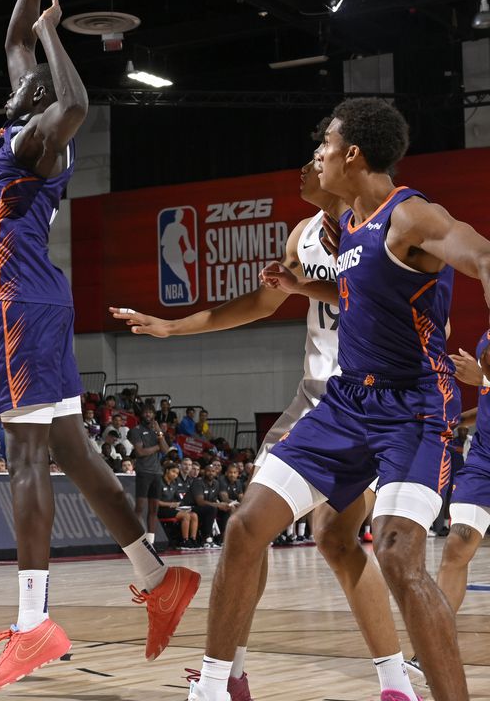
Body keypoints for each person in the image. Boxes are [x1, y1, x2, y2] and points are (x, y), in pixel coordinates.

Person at [186, 98, 489, 701]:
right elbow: (361, 287)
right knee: (246, 526)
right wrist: (304, 284)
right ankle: (214, 688)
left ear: (352, 152)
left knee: (401, 557)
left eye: (324, 144)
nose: (316, 155)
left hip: (415, 407)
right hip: (349, 402)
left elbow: (481, 254)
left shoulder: (412, 216)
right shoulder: (349, 223)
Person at [0, 0, 197, 693]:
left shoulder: (38, 137)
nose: (21, 69)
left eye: (34, 76)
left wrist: (58, 40)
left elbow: (75, 106)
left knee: (24, 457)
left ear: (37, 99)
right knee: (71, 448)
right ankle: (157, 575)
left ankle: (33, 624)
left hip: (20, 305)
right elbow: (12, 37)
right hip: (42, 303)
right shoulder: (15, 124)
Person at [113, 136, 422, 700]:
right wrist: (172, 327)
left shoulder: (391, 222)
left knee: (297, 535)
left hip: (368, 400)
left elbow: (404, 304)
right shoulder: (304, 234)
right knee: (303, 537)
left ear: (346, 163)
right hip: (316, 400)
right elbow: (258, 303)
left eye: (312, 159)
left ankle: (227, 679)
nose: (303, 169)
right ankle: (384, 682)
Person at [428, 334, 490, 680]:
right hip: (483, 462)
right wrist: (460, 420)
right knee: (457, 546)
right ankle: (433, 647)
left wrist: (483, 378)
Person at [128, 407, 168, 543]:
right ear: (141, 414)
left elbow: (166, 450)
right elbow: (140, 452)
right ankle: (136, 539)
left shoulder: (157, 432)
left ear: (154, 415)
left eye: (150, 412)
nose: (148, 414)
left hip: (157, 473)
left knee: (154, 509)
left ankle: (150, 541)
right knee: (139, 507)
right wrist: (158, 447)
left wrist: (159, 433)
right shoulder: (136, 430)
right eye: (145, 412)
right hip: (144, 472)